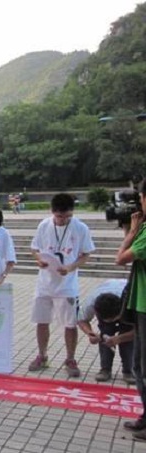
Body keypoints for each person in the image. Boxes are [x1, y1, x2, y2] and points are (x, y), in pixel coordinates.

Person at [28, 193, 95, 377]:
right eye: (59, 216)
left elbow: (86, 254)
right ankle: (42, 355)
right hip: (44, 283)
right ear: (52, 211)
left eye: (67, 216)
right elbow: (34, 249)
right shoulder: (44, 225)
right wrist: (39, 260)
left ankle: (70, 359)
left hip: (67, 285)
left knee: (70, 324)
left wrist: (71, 267)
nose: (63, 220)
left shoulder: (80, 228)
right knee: (42, 321)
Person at [115, 178, 146, 441]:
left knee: (144, 367)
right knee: (139, 365)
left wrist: (132, 231)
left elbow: (120, 258)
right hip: (140, 303)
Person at [76, 280, 134, 384]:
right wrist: (90, 333)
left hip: (127, 305)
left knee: (128, 339)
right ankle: (105, 369)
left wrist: (120, 338)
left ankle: (129, 371)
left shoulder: (134, 302)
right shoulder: (91, 302)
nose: (111, 321)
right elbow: (81, 320)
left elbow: (141, 331)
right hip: (110, 296)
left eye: (113, 319)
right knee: (105, 334)